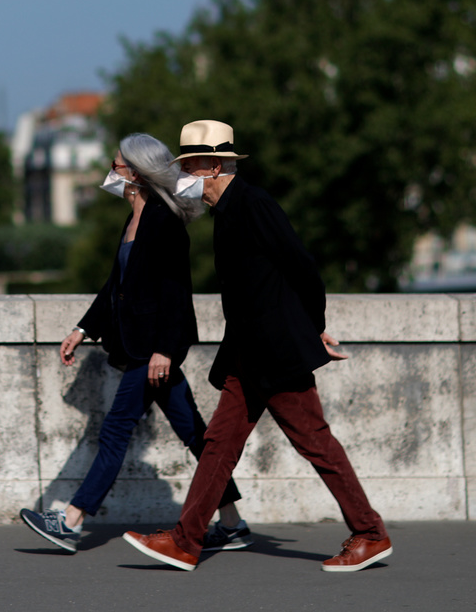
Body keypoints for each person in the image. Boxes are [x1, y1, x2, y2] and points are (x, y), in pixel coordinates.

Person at [122, 120, 391, 573]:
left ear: (212, 167)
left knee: (316, 443)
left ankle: (370, 533)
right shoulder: (226, 213)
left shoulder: (254, 204)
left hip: (277, 353)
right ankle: (185, 542)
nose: (183, 175)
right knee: (218, 445)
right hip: (247, 355)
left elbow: (302, 268)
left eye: (189, 166)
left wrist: (314, 328)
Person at [20, 133, 247, 553]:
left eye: (116, 166)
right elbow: (116, 287)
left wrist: (165, 349)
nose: (111, 172)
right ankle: (232, 522)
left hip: (152, 349)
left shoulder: (163, 221)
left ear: (137, 173)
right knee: (194, 432)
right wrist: (82, 330)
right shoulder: (134, 220)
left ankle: (71, 521)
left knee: (115, 429)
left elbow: (175, 292)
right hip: (141, 346)